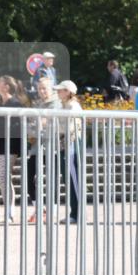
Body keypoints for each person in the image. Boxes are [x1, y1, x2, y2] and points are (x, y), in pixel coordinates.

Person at [26, 77, 63, 224]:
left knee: (52, 179)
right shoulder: (38, 104)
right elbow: (32, 126)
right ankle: (40, 209)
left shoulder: (58, 104)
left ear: (51, 88)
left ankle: (51, 212)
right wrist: (35, 128)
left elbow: (53, 125)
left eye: (44, 88)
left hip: (52, 147)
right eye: (40, 88)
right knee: (29, 177)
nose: (41, 91)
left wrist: (39, 125)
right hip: (37, 147)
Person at [0, 75, 30, 223]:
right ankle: (9, 212)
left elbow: (20, 124)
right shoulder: (1, 103)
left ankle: (9, 213)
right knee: (3, 177)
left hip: (12, 144)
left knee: (3, 176)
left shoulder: (14, 103)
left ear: (6, 87)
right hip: (2, 144)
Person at [55, 80, 83, 225]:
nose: (58, 92)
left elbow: (70, 128)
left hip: (71, 144)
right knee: (69, 179)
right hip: (65, 144)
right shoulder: (64, 105)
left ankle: (78, 213)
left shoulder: (73, 106)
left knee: (74, 180)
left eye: (61, 90)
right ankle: (75, 212)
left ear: (68, 92)